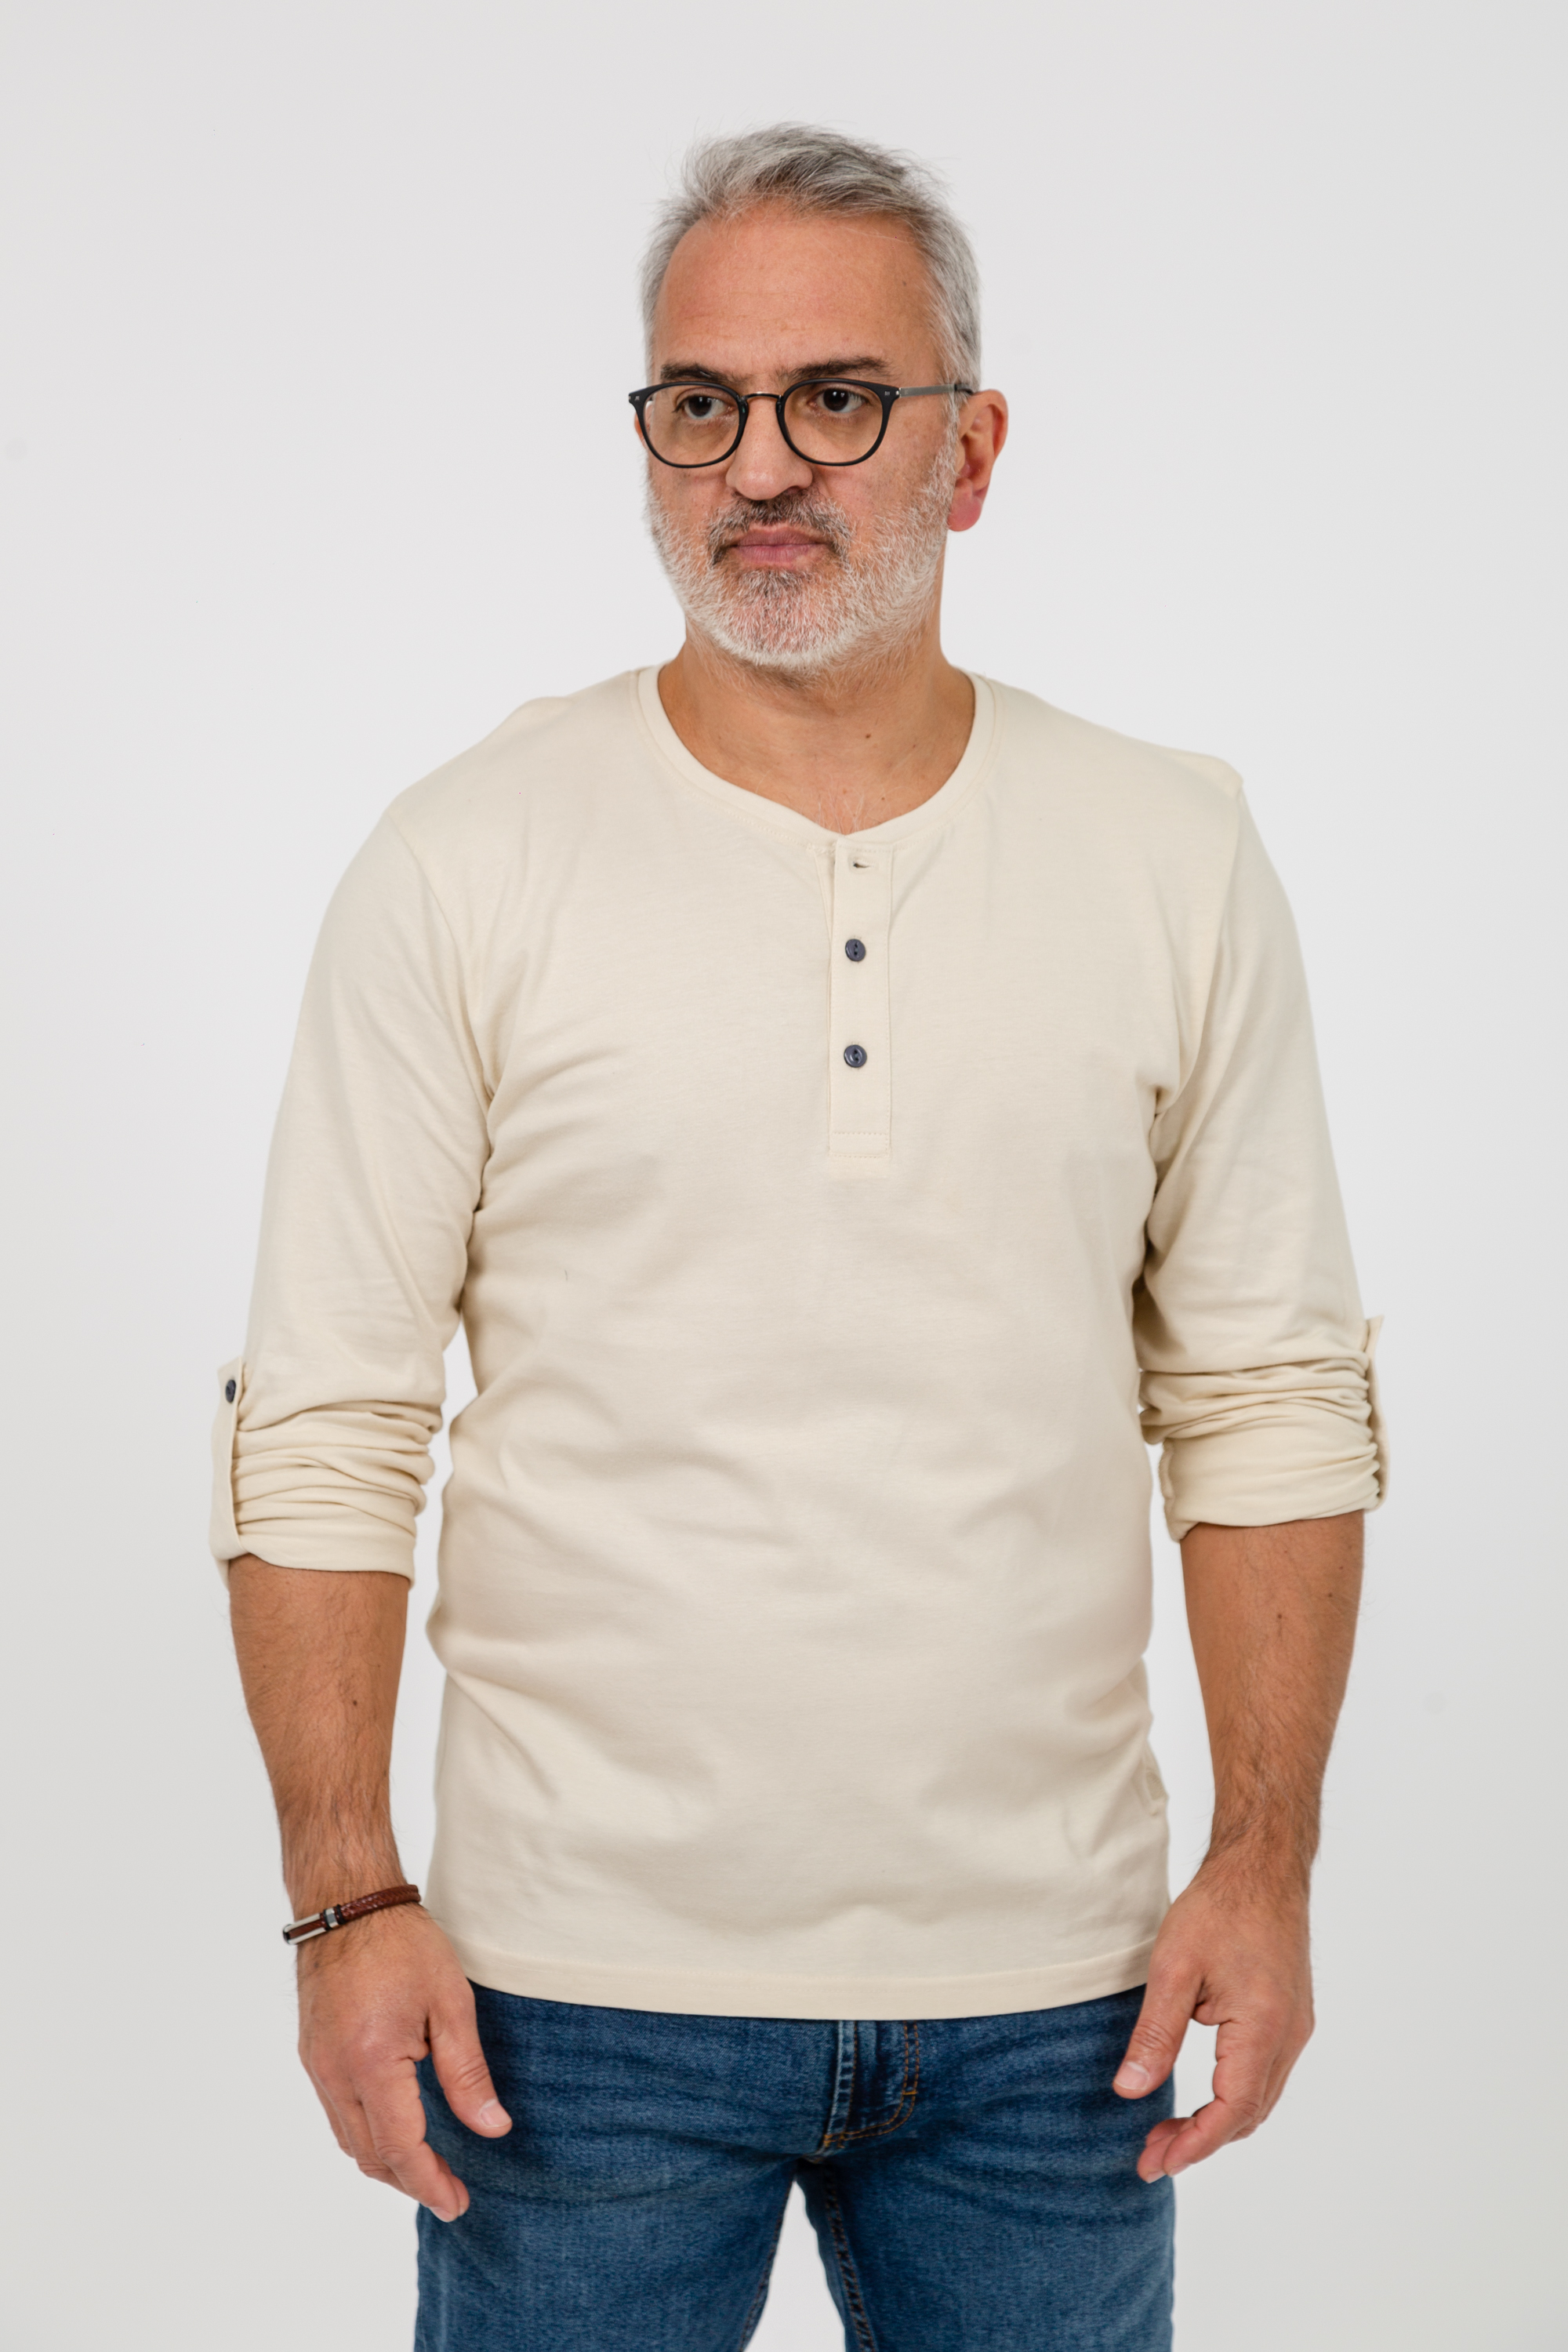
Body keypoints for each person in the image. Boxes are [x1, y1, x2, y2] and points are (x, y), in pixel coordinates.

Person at [216, 123, 1384, 2352]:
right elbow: (331, 1418)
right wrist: (343, 1897)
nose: (761, 465)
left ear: (973, 449)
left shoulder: (1171, 853)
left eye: (838, 398)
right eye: (701, 404)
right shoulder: (466, 859)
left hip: (1063, 2002)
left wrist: (1268, 1857)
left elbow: (1267, 1398)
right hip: (566, 2004)